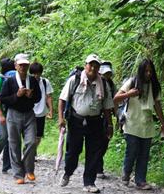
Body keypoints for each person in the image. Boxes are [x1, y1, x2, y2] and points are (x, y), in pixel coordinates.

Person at [58, 54, 114, 193]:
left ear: (99, 68)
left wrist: (109, 124)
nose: (93, 68)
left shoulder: (104, 84)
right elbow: (62, 99)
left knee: (94, 152)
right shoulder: (75, 80)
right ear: (85, 65)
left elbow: (107, 106)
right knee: (73, 151)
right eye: (91, 64)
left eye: (96, 65)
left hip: (95, 122)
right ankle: (68, 172)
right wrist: (61, 118)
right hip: (76, 120)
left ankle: (89, 182)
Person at [113, 58, 164, 190]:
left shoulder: (154, 86)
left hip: (147, 125)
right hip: (131, 123)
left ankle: (140, 181)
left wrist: (163, 123)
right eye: (146, 71)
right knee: (132, 151)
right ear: (141, 71)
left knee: (144, 154)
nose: (148, 74)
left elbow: (157, 106)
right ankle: (126, 173)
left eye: (150, 71)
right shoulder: (132, 82)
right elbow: (116, 98)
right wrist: (129, 94)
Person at [0, 53, 41, 184]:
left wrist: (31, 96)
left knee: (31, 142)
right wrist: (17, 95)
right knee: (14, 145)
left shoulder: (33, 80)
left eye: (25, 65)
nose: (23, 67)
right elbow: (2, 99)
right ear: (16, 66)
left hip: (29, 114)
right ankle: (18, 175)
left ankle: (29, 170)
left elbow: (38, 97)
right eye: (21, 65)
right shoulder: (10, 81)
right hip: (13, 114)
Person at [96, 61, 117, 179]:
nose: (107, 75)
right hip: (96, 117)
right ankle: (98, 168)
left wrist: (116, 116)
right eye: (105, 73)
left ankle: (97, 165)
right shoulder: (96, 82)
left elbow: (114, 100)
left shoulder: (111, 84)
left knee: (104, 142)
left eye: (108, 73)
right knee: (98, 142)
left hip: (106, 117)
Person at [29, 62, 53, 159]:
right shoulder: (28, 81)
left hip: (42, 111)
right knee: (30, 134)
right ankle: (30, 153)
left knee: (39, 135)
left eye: (38, 73)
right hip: (29, 112)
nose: (36, 75)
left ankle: (33, 150)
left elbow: (49, 97)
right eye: (34, 73)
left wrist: (51, 110)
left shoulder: (45, 82)